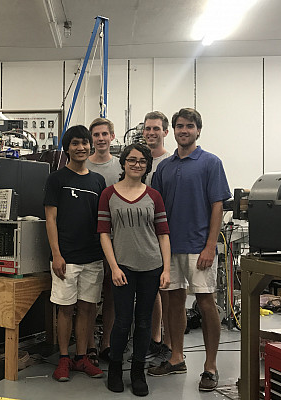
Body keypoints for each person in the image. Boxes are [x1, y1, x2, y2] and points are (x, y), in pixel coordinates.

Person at [148, 108, 231, 392]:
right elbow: (157, 209)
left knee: (206, 304)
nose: (184, 130)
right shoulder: (165, 167)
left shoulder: (210, 162)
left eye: (190, 126)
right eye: (180, 126)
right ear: (173, 130)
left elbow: (218, 205)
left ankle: (210, 366)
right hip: (170, 247)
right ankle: (176, 357)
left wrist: (211, 246)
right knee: (173, 302)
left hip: (200, 247)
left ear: (198, 130)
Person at [98, 143, 171, 396]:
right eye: (132, 160)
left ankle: (138, 370)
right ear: (124, 162)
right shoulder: (109, 194)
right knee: (121, 322)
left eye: (142, 161)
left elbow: (163, 235)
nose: (136, 164)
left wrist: (166, 269)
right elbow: (104, 234)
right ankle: (115, 369)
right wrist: (114, 267)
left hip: (151, 267)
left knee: (143, 323)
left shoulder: (154, 196)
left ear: (147, 165)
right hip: (123, 269)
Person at [43, 125, 106, 382]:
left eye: (85, 143)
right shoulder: (56, 179)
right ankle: (63, 359)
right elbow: (50, 219)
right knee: (65, 309)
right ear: (67, 148)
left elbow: (101, 221)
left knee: (88, 309)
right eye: (75, 143)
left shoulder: (98, 181)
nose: (81, 147)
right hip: (65, 258)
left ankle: (81, 358)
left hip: (92, 257)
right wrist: (57, 255)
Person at [84, 117, 122, 365]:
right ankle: (88, 346)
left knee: (110, 292)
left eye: (104, 134)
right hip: (85, 238)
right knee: (87, 296)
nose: (100, 139)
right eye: (96, 135)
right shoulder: (80, 164)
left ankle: (106, 342)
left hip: (114, 238)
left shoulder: (121, 167)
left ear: (112, 137)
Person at [142, 111, 173, 365]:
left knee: (167, 292)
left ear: (165, 132)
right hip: (140, 237)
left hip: (161, 235)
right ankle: (152, 338)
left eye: (156, 128)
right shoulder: (137, 160)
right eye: (147, 128)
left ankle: (166, 343)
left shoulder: (170, 163)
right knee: (150, 293)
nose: (151, 132)